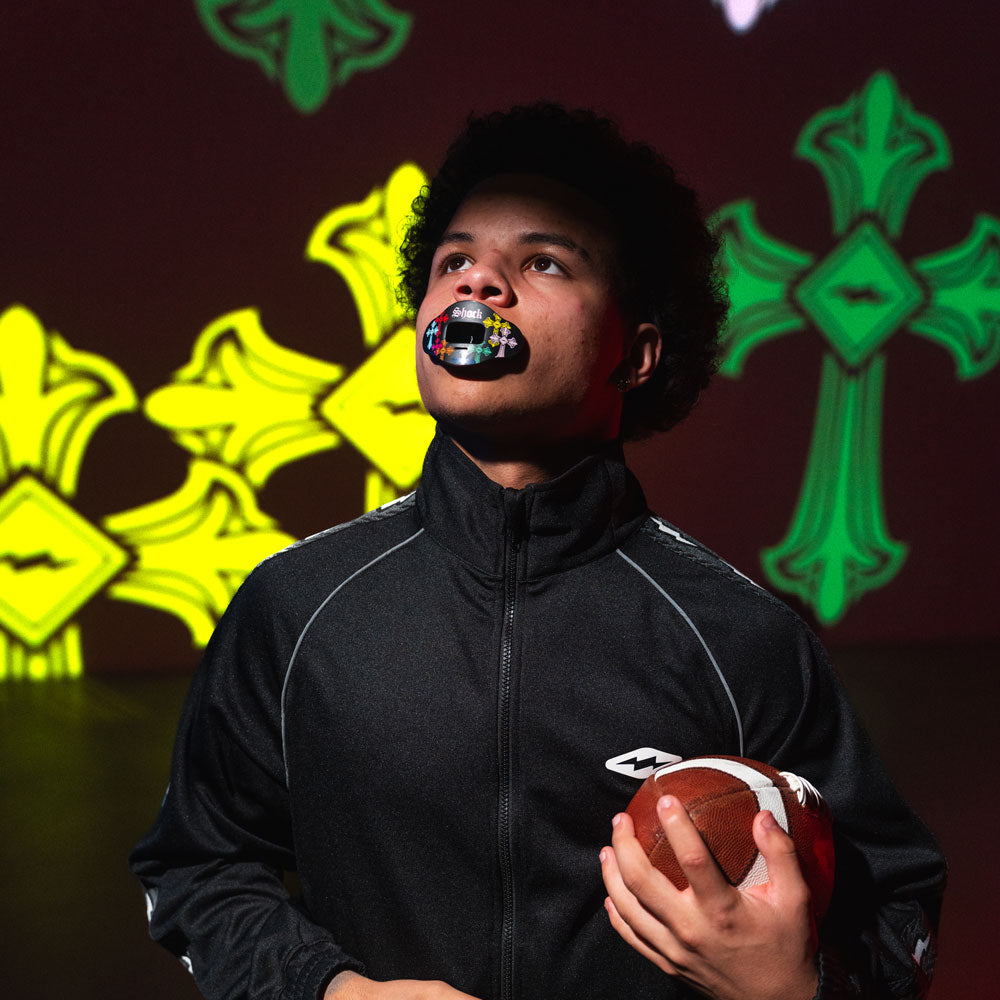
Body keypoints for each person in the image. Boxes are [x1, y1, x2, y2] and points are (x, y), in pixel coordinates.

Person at [130, 105, 945, 1000]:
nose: (478, 285)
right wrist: (334, 993)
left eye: (542, 262)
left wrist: (795, 988)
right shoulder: (295, 606)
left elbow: (895, 914)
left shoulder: (740, 636)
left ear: (636, 355)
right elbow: (199, 868)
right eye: (454, 262)